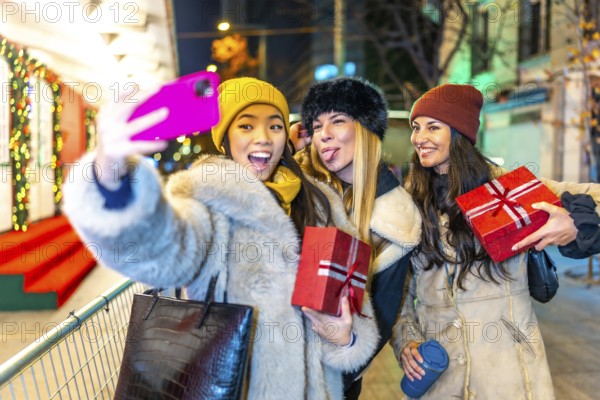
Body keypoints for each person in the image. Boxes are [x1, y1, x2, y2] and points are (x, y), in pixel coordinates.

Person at [62, 77, 380, 399]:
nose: (263, 139)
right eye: (245, 126)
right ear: (224, 138)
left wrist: (346, 339)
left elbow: (352, 301)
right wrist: (111, 182)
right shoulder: (207, 198)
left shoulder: (320, 205)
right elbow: (161, 248)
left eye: (274, 126)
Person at [393, 83, 600, 399]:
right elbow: (400, 290)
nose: (419, 138)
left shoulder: (509, 192)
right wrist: (406, 340)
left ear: (460, 134)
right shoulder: (411, 202)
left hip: (511, 379)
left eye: (432, 127)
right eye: (416, 127)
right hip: (440, 381)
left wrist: (575, 220)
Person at [296, 77, 422, 399]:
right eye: (317, 124)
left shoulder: (396, 220)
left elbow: (377, 324)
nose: (324, 134)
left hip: (332, 382)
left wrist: (342, 350)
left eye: (338, 121)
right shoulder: (299, 189)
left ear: (366, 131)